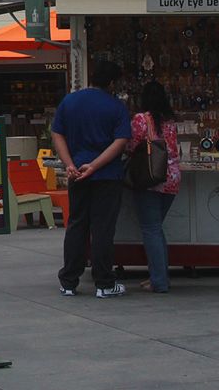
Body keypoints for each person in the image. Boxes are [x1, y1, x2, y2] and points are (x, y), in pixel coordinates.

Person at [51, 60, 131, 298]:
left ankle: (68, 281)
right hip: (107, 175)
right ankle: (104, 283)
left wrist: (70, 165)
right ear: (112, 83)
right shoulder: (116, 107)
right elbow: (120, 141)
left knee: (77, 225)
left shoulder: (70, 101)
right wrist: (94, 166)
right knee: (102, 229)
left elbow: (57, 133)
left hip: (77, 175)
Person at [127, 81, 181, 293]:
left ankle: (159, 281)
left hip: (150, 178)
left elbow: (132, 145)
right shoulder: (170, 121)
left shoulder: (141, 119)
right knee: (156, 229)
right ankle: (160, 277)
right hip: (172, 179)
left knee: (151, 230)